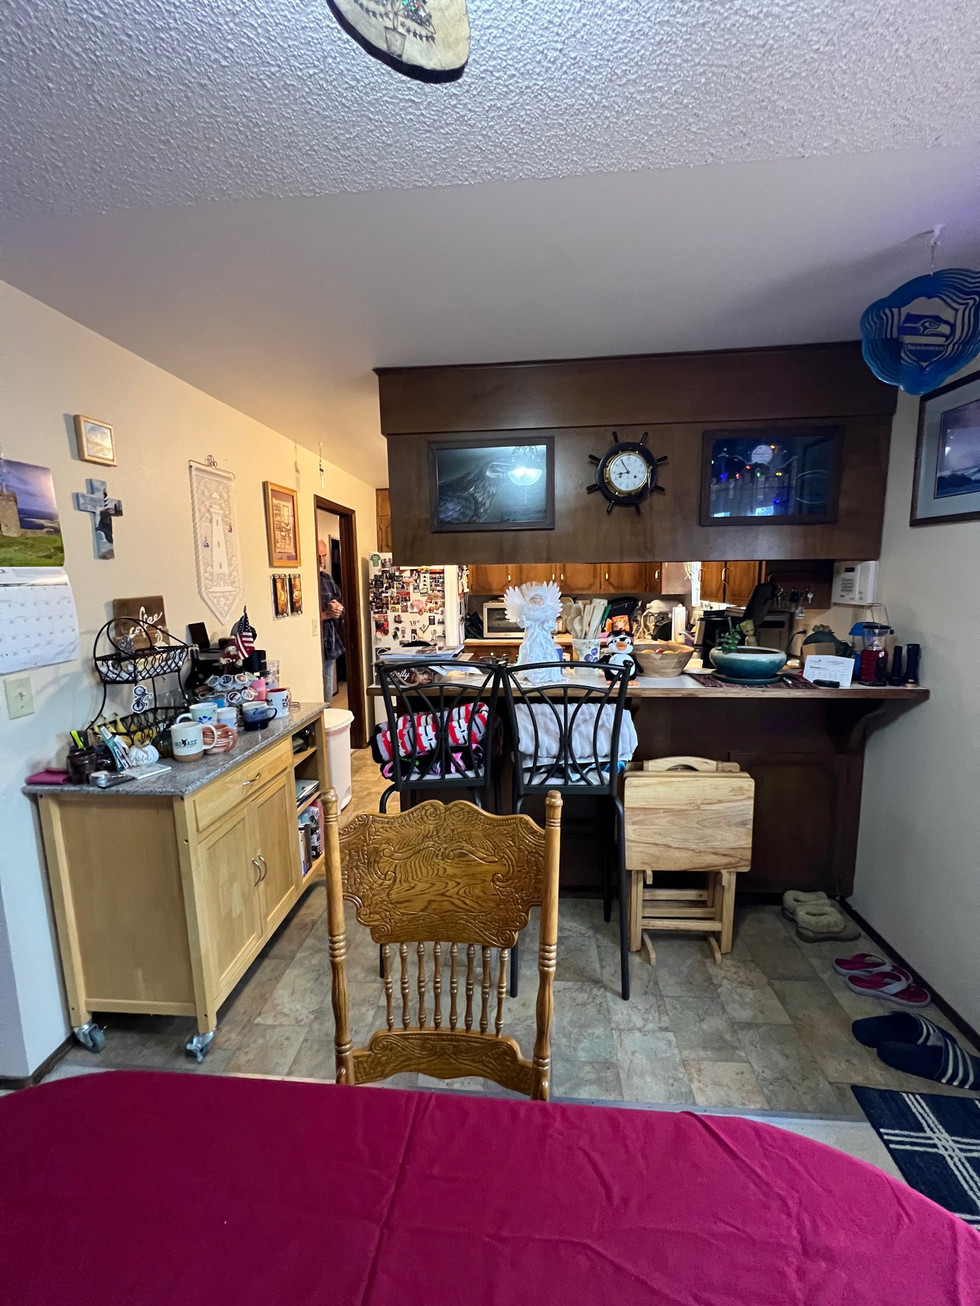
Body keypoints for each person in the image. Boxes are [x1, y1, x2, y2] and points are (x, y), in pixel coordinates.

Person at [318, 544, 344, 707]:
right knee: (314, 693)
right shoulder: (306, 580)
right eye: (318, 555)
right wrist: (325, 614)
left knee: (327, 694)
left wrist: (338, 608)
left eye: (324, 555)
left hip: (329, 642)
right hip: (311, 645)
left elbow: (339, 601)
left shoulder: (326, 578)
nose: (322, 560)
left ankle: (326, 726)